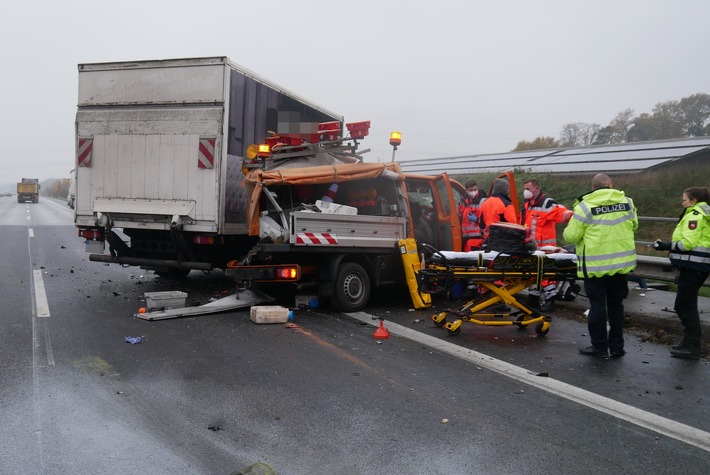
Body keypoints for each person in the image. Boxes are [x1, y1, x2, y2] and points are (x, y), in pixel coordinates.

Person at [563, 173, 638, 358]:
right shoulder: (627, 202)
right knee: (617, 305)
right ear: (611, 184)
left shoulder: (584, 206)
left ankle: (599, 347)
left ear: (593, 187)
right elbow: (634, 225)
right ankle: (617, 347)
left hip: (595, 266)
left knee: (597, 305)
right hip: (620, 265)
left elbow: (570, 237)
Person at [651, 187, 710, 360]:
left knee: (685, 306)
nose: (682, 203)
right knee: (685, 305)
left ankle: (693, 346)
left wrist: (665, 245)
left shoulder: (695, 215)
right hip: (696, 266)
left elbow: (687, 244)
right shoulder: (702, 213)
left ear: (693, 201)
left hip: (694, 266)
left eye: (684, 200)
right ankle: (689, 342)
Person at [521, 178, 573, 248]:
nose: (525, 191)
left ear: (536, 189)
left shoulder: (547, 204)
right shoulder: (527, 204)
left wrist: (574, 215)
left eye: (528, 189)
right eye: (525, 189)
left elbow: (561, 212)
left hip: (545, 249)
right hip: (530, 247)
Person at [458, 179, 487, 251]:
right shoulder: (463, 201)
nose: (473, 192)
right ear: (466, 190)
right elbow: (458, 214)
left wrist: (476, 219)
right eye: (471, 190)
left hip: (479, 238)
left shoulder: (483, 201)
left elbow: (488, 219)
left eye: (475, 189)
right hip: (466, 239)